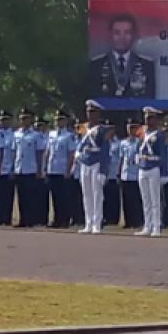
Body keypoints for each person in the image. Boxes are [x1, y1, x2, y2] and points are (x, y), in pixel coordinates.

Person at [88, 13, 155, 98]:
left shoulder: (147, 65)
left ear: (134, 35)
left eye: (127, 32)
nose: (122, 37)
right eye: (117, 33)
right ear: (110, 35)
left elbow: (149, 99)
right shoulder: (96, 65)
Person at [75, 100, 114, 234]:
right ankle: (88, 223)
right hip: (85, 162)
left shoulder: (103, 130)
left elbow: (105, 150)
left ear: (98, 113)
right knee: (86, 194)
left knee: (97, 195)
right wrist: (78, 153)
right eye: (88, 111)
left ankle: (97, 223)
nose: (90, 114)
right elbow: (80, 143)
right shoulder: (83, 128)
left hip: (96, 162)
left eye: (93, 112)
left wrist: (103, 171)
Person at [136, 107, 168, 237]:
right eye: (146, 118)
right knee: (145, 199)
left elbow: (163, 155)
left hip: (154, 167)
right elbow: (138, 149)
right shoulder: (142, 133)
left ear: (155, 119)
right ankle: (147, 225)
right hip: (143, 167)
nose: (148, 120)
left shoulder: (159, 135)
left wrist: (164, 173)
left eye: (150, 118)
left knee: (155, 200)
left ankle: (156, 226)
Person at [12, 109, 44, 227]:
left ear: (31, 119)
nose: (24, 120)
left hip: (31, 169)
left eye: (26, 118)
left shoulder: (36, 135)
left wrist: (39, 170)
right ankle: (22, 219)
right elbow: (14, 152)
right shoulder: (16, 134)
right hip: (19, 168)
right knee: (21, 196)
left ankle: (31, 219)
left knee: (31, 196)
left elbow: (39, 153)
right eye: (22, 118)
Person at [45, 111, 76, 228]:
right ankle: (56, 219)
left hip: (63, 170)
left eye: (61, 119)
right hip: (52, 168)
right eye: (57, 119)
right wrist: (45, 166)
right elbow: (48, 151)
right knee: (55, 196)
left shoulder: (69, 135)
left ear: (66, 121)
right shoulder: (51, 134)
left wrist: (68, 170)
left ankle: (64, 220)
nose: (58, 122)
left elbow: (71, 154)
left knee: (64, 197)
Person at [119, 118, 143, 228]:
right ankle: (128, 222)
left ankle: (137, 221)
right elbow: (121, 158)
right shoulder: (123, 143)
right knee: (126, 200)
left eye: (133, 127)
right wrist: (119, 173)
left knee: (136, 200)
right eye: (129, 127)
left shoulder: (140, 142)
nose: (131, 130)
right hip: (125, 174)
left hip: (136, 174)